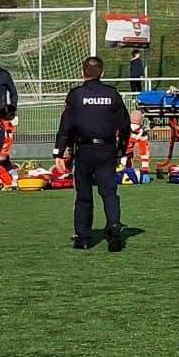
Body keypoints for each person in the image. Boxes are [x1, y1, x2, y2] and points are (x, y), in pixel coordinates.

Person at [54, 56, 131, 251]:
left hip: (84, 150)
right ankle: (114, 230)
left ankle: (83, 238)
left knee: (83, 195)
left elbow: (66, 127)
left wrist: (59, 153)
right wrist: (122, 149)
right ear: (102, 73)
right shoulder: (112, 95)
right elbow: (125, 126)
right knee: (109, 193)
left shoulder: (76, 96)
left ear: (82, 73)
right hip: (107, 150)